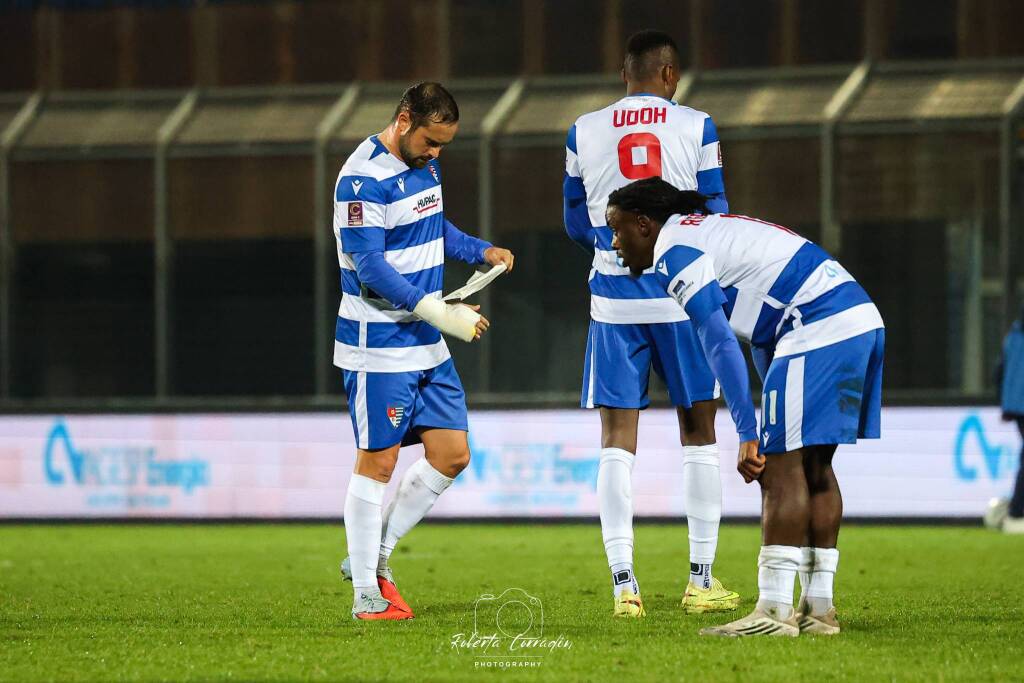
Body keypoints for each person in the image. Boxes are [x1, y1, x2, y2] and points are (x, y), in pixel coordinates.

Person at [606, 177, 885, 637]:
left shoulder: (674, 251)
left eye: (617, 230)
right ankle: (818, 609)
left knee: (780, 470)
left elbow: (717, 342)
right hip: (858, 320)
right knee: (815, 467)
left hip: (817, 325)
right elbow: (760, 333)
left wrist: (748, 431)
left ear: (643, 224)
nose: (615, 244)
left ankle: (772, 613)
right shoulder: (705, 230)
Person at [563, 29, 738, 618]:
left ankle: (623, 587)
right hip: (682, 297)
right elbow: (717, 213)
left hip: (613, 302)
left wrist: (608, 242)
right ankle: (700, 580)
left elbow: (571, 219)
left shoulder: (583, 129)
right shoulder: (697, 125)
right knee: (700, 433)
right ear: (670, 75)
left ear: (624, 74)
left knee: (617, 441)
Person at [332, 82, 514, 620]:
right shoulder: (361, 179)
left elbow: (433, 230)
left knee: (452, 453)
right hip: (379, 343)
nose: (436, 154)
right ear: (405, 119)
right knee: (378, 462)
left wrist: (481, 250)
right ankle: (367, 594)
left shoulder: (424, 165)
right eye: (431, 142)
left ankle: (372, 557)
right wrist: (437, 312)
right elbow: (369, 267)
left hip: (423, 339)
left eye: (443, 146)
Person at [997, 307, 1024, 534]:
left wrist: (1004, 402)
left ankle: (1016, 512)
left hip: (1015, 404)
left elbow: (999, 370)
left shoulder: (1013, 334)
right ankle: (1016, 513)